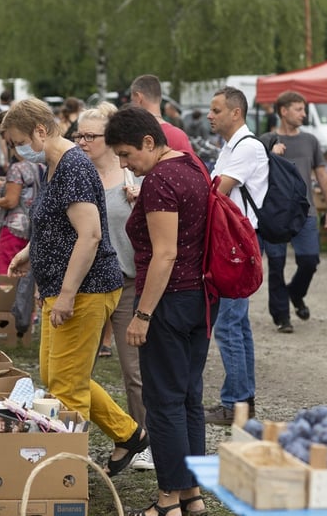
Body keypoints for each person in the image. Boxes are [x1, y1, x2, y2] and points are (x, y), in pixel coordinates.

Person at [1, 98, 146, 478]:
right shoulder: (55, 164)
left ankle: (63, 477)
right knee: (58, 377)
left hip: (85, 291)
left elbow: (91, 234)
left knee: (66, 388)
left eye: (18, 140)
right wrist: (30, 251)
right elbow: (58, 223)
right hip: (62, 289)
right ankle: (129, 434)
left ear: (40, 131)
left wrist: (66, 295)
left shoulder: (73, 166)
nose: (17, 149)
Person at [105, 107, 212, 516]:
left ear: (149, 142)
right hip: (200, 298)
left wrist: (142, 314)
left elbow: (164, 254)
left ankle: (167, 499)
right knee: (188, 399)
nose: (124, 163)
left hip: (168, 301)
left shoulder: (161, 180)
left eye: (127, 154)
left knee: (163, 402)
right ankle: (192, 496)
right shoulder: (193, 165)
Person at [74, 102, 152, 469]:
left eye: (89, 135)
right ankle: (73, 441)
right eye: (78, 135)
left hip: (127, 282)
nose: (82, 141)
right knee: (75, 369)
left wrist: (142, 202)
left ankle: (143, 437)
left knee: (132, 368)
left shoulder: (132, 176)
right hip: (89, 284)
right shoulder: (77, 174)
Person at [203, 86, 269, 426]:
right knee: (236, 324)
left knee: (229, 325)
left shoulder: (247, 147)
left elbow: (218, 191)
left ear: (235, 113)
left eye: (216, 110)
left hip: (236, 245)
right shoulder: (233, 146)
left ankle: (235, 405)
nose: (210, 116)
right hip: (234, 243)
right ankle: (242, 403)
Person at [259, 91, 327, 332]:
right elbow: (253, 173)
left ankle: (295, 291)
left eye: (304, 109)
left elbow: (322, 175)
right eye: (299, 109)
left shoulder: (310, 141)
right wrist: (269, 155)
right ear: (283, 111)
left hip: (305, 211)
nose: (304, 114)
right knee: (276, 263)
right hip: (275, 212)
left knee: (310, 259)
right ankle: (282, 316)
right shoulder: (266, 139)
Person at [0, 111, 40, 276]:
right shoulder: (39, 163)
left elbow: (11, 201)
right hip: (31, 227)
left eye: (4, 133)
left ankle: (4, 302)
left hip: (14, 228)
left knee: (4, 274)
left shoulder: (17, 167)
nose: (5, 139)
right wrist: (4, 182)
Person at [129, 75, 198, 158]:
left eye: (132, 100)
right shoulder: (179, 135)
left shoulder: (134, 135)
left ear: (138, 97)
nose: (132, 106)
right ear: (160, 98)